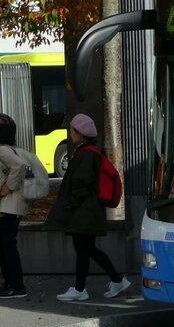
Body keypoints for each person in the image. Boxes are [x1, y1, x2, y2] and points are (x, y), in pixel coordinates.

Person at [44, 114, 132, 301]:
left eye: (72, 130)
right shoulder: (89, 152)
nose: (70, 133)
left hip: (84, 212)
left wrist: (68, 205)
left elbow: (81, 184)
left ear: (80, 133)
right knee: (88, 250)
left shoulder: (85, 155)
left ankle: (80, 289)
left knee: (84, 251)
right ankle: (115, 281)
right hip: (89, 211)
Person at [0, 113, 29, 298]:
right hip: (10, 207)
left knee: (7, 246)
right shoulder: (10, 148)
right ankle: (10, 283)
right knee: (5, 246)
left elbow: (20, 165)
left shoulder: (2, 150)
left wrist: (8, 187)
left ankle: (16, 286)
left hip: (8, 207)